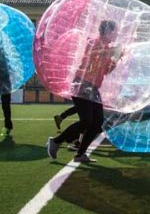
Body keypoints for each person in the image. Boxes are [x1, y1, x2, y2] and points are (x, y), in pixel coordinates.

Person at [46, 20, 121, 163]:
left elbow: (106, 72)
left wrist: (115, 58)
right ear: (107, 32)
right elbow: (95, 54)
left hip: (93, 87)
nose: (117, 34)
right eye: (115, 31)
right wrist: (113, 52)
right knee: (86, 120)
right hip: (82, 83)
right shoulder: (94, 42)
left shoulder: (107, 48)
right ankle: (56, 141)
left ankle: (80, 154)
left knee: (98, 122)